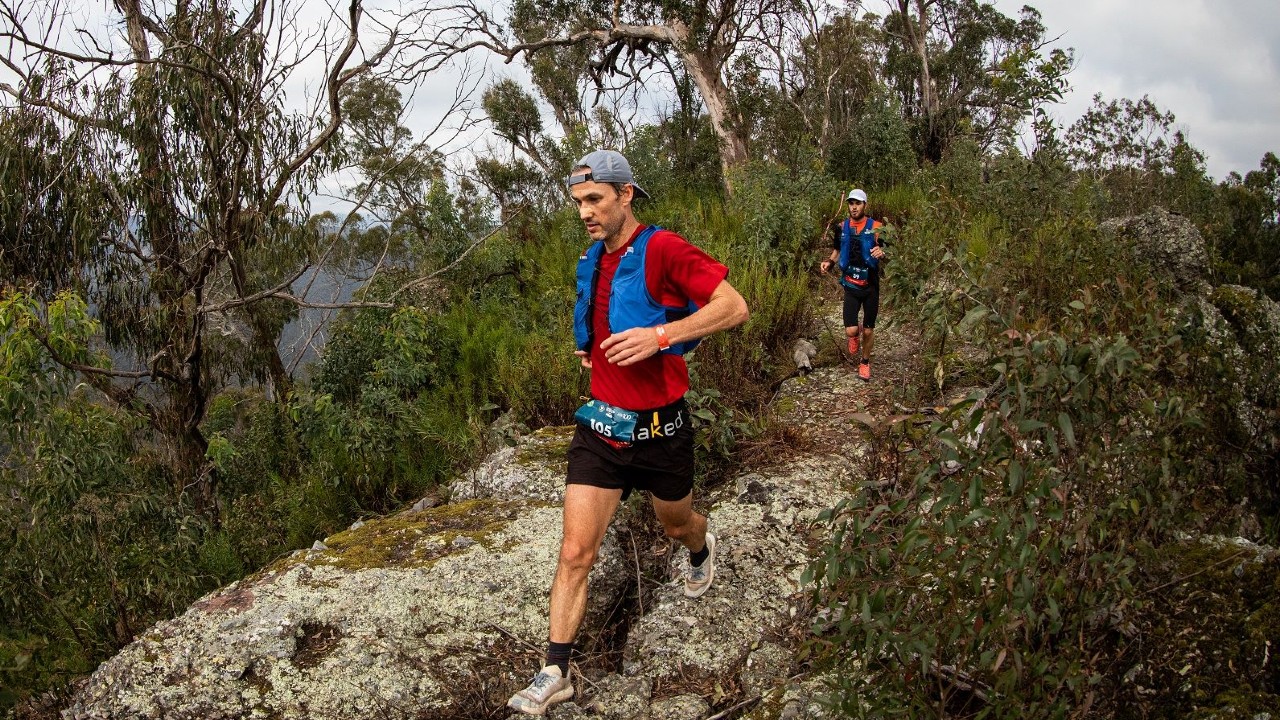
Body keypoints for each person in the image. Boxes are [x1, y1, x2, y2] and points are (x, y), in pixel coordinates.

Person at [507, 150, 750, 715]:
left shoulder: (663, 248)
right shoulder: (591, 261)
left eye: (595, 200)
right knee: (574, 552)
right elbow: (602, 325)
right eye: (578, 203)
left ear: (626, 195)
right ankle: (555, 670)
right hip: (602, 433)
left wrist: (659, 336)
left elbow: (733, 307)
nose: (585, 213)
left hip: (663, 431)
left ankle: (699, 543)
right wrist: (592, 352)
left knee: (676, 524)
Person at [820, 188, 886, 381]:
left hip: (870, 285)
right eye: (851, 203)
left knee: (868, 329)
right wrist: (830, 263)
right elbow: (838, 249)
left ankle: (864, 363)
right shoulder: (841, 227)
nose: (854, 207)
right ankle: (853, 335)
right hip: (850, 283)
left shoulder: (877, 227)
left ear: (865, 205)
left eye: (858, 203)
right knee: (851, 330)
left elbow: (886, 248)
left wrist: (882, 253)